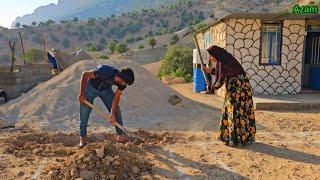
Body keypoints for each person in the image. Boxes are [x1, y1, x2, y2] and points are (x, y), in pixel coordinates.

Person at [203, 45, 256, 147]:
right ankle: (231, 136)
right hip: (237, 88)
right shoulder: (224, 60)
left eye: (211, 55)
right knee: (232, 110)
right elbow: (221, 73)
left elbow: (221, 79)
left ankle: (237, 139)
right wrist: (209, 71)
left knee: (235, 111)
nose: (210, 58)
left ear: (215, 54)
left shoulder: (223, 63)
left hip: (239, 89)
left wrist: (211, 88)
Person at [78, 64, 134, 147]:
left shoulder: (122, 84)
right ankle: (83, 138)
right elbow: (85, 75)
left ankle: (121, 135)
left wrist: (112, 113)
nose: (124, 85)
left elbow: (117, 97)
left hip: (105, 90)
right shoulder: (104, 70)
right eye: (125, 82)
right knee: (84, 112)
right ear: (121, 78)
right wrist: (82, 94)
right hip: (91, 87)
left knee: (116, 110)